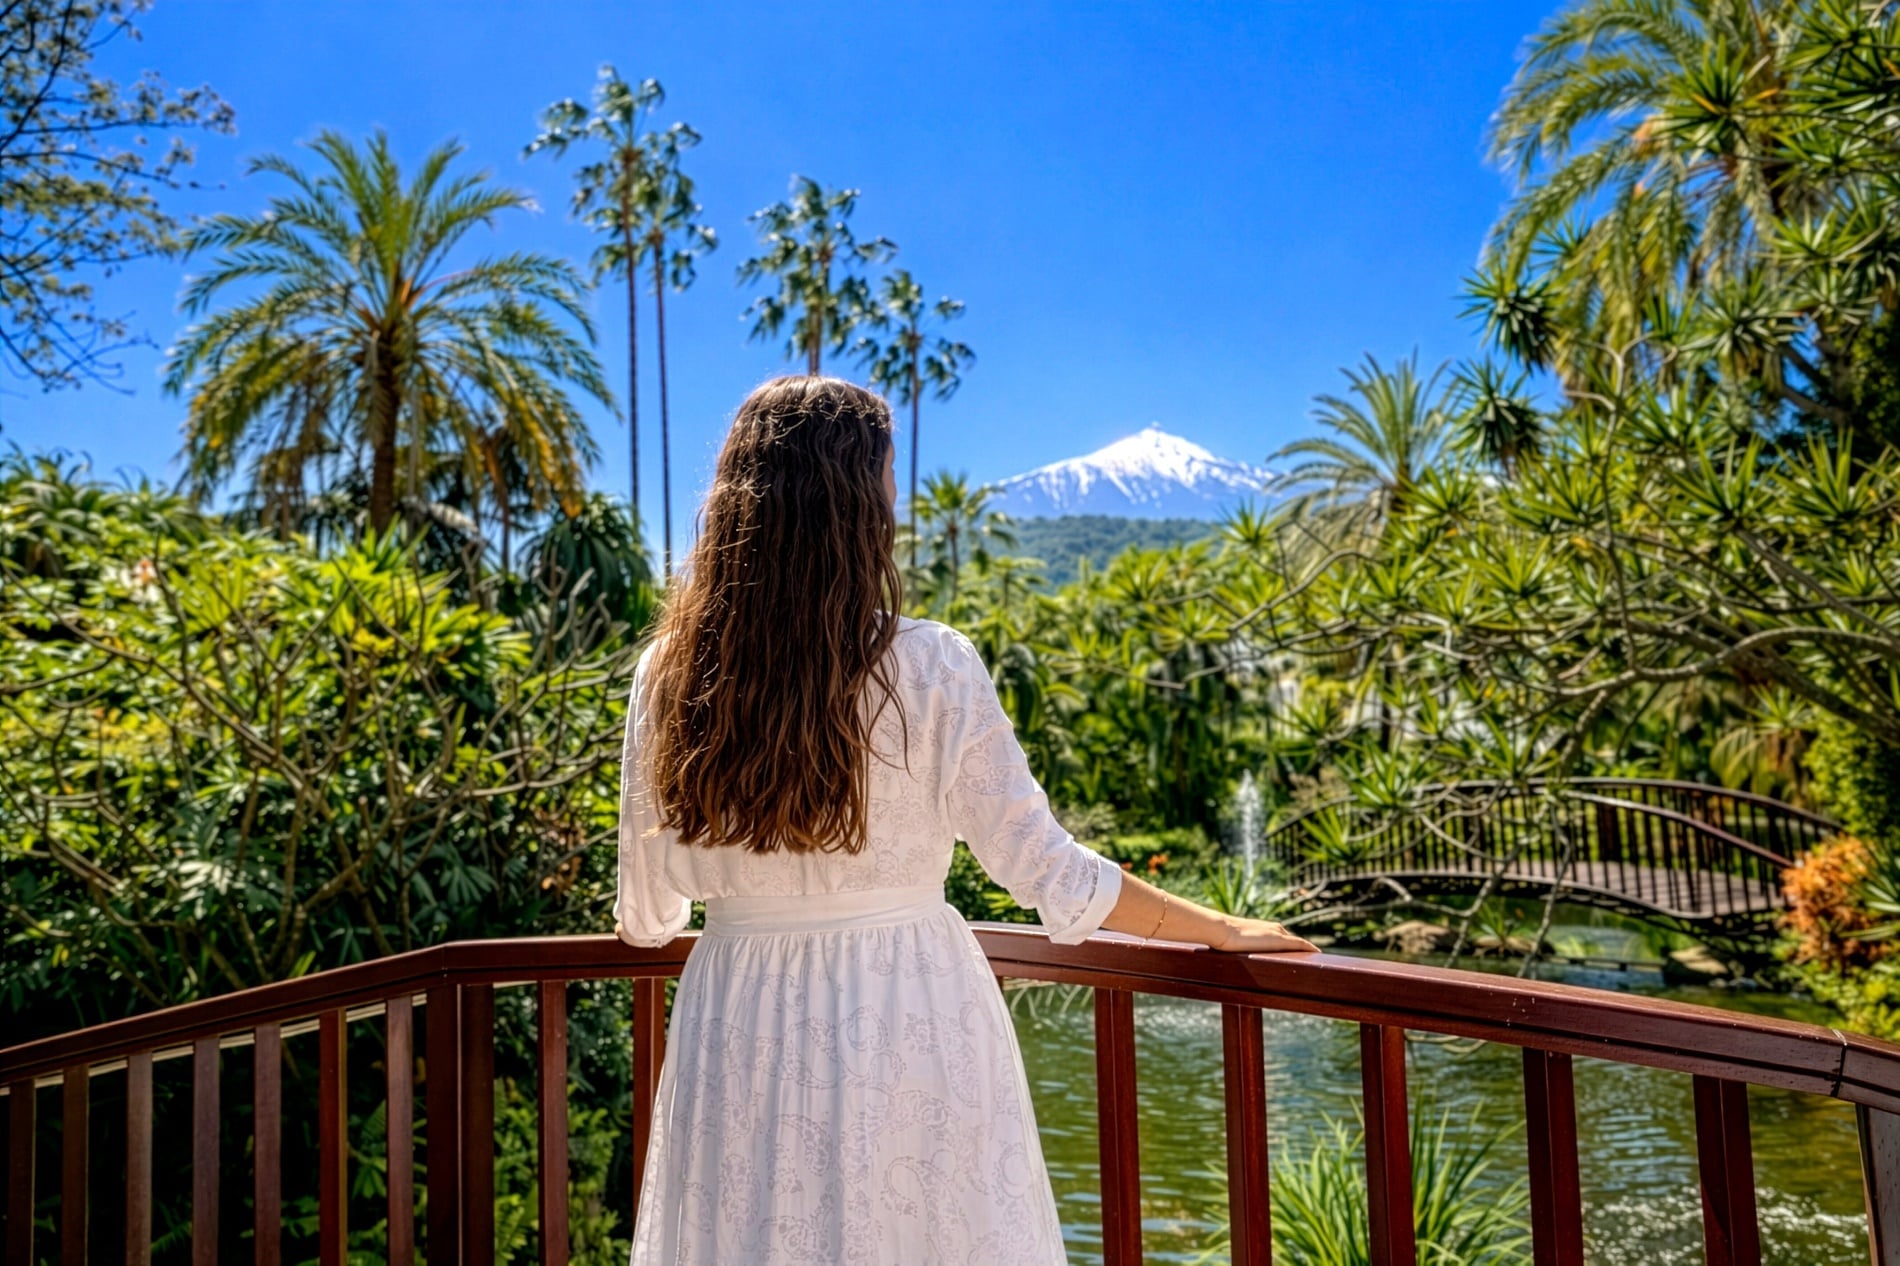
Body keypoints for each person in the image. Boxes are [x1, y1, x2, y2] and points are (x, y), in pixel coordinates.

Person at [615, 376, 1315, 1265]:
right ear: (862, 506)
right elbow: (1046, 870)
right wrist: (1218, 928)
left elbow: (648, 917)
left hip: (738, 1018)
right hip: (906, 1009)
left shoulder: (666, 676)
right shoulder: (931, 664)